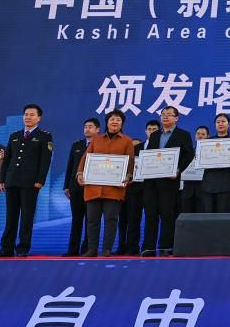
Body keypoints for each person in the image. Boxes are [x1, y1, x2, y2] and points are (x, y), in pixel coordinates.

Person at [77, 109, 135, 257]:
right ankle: (92, 250)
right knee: (92, 220)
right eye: (112, 119)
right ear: (107, 122)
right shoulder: (96, 140)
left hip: (114, 188)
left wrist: (129, 176)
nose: (115, 122)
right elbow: (85, 158)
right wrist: (80, 173)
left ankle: (107, 249)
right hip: (93, 187)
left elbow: (130, 161)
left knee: (111, 220)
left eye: (118, 120)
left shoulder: (127, 141)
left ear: (122, 123)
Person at [0, 104, 53, 257]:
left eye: (32, 115)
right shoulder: (14, 135)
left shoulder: (44, 136)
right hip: (12, 180)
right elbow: (7, 159)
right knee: (11, 216)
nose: (28, 117)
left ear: (39, 118)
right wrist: (2, 179)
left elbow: (45, 160)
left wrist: (40, 180)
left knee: (27, 217)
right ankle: (6, 248)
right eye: (26, 114)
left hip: (30, 182)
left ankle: (22, 248)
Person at [141, 106, 195, 256]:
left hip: (169, 182)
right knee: (150, 216)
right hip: (151, 182)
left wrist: (178, 170)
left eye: (169, 114)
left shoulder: (183, 135)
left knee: (167, 215)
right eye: (163, 114)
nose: (165, 117)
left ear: (176, 118)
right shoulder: (154, 135)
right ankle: (149, 248)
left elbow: (188, 155)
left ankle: (165, 247)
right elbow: (149, 156)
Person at [119, 118, 158, 254]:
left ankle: (148, 248)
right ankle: (132, 247)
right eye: (149, 129)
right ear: (145, 131)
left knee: (151, 219)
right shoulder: (135, 148)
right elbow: (129, 166)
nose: (152, 132)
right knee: (133, 219)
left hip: (153, 188)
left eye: (155, 129)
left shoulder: (162, 148)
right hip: (135, 188)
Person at [62, 117, 98, 257]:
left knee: (91, 220)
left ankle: (87, 249)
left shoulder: (101, 144)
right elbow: (70, 166)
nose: (87, 129)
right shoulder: (77, 144)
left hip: (93, 188)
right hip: (76, 188)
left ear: (97, 129)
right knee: (76, 219)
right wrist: (66, 186)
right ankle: (73, 249)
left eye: (90, 127)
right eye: (85, 127)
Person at [202, 113, 230, 213]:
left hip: (226, 183)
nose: (220, 124)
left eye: (223, 121)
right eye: (218, 122)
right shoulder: (207, 141)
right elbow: (203, 160)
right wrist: (199, 158)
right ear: (215, 125)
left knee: (223, 215)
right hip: (209, 183)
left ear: (229, 124)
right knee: (208, 214)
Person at [180, 125, 210, 214]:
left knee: (201, 217)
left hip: (203, 190)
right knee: (186, 216)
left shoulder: (211, 154)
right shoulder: (188, 152)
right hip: (187, 190)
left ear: (208, 136)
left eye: (203, 134)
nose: (200, 136)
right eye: (198, 134)